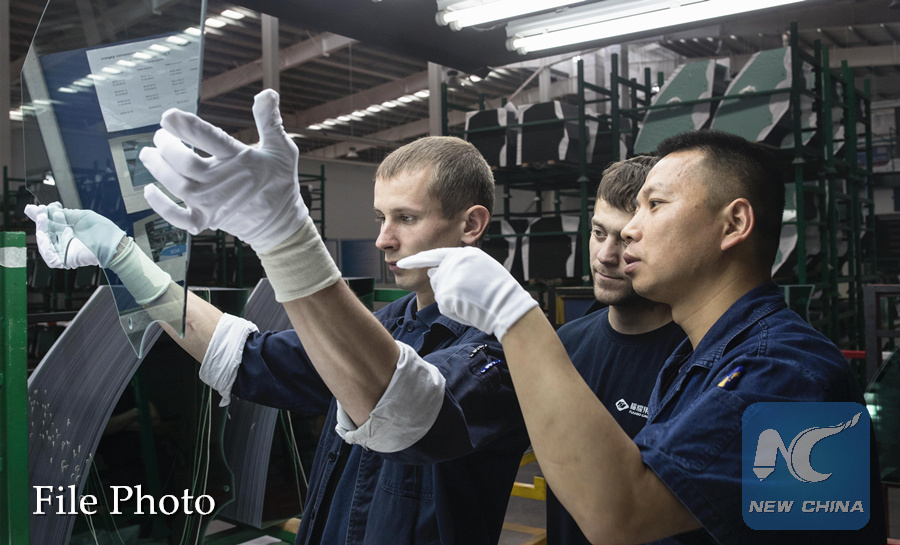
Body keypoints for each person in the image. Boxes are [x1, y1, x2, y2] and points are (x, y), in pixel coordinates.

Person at [26, 89, 529, 545]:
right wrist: (125, 260)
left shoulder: (503, 347)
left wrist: (285, 237)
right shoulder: (389, 325)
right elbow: (242, 356)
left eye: (407, 218)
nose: (383, 240)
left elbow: (405, 412)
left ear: (471, 224)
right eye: (381, 218)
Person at [399, 129, 887, 544]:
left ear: (734, 224)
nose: (629, 231)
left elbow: (621, 514)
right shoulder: (697, 359)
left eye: (655, 205)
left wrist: (516, 317)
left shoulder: (788, 374)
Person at [546, 156, 687, 545]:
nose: (605, 256)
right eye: (598, 232)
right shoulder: (564, 344)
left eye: (626, 239)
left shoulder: (699, 358)